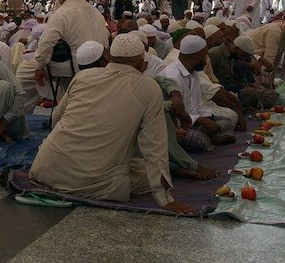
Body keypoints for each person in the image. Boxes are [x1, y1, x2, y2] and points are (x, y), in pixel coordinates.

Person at [29, 35, 194, 215]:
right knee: (150, 172)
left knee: (133, 163)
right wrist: (165, 199)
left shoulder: (82, 77)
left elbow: (55, 119)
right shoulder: (148, 87)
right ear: (142, 65)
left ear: (109, 58)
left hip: (45, 169)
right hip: (93, 183)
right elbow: (154, 147)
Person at [26, 0, 109, 109]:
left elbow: (46, 43)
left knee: (24, 71)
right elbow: (106, 41)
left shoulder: (63, 13)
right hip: (99, 65)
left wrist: (40, 67)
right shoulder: (96, 13)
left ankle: (12, 117)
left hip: (72, 66)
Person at [159, 35, 236, 151]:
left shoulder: (194, 74)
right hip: (177, 124)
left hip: (194, 122)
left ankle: (209, 136)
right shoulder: (171, 76)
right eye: (205, 56)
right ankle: (210, 138)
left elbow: (197, 105)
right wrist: (202, 121)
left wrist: (207, 119)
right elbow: (174, 113)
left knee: (228, 121)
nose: (206, 60)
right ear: (197, 57)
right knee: (198, 139)